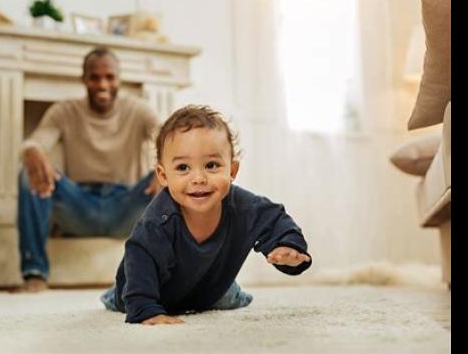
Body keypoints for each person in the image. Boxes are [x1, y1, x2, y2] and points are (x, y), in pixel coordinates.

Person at [100, 105, 312, 324]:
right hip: (153, 288)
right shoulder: (157, 221)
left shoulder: (245, 208)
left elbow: (275, 219)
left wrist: (288, 246)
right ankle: (114, 294)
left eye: (211, 165)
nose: (198, 178)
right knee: (126, 294)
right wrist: (145, 309)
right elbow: (139, 255)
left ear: (232, 171)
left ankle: (229, 292)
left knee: (225, 296)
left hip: (210, 288)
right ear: (163, 176)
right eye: (183, 168)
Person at [15, 47, 161, 292]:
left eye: (109, 77)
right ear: (84, 80)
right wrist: (31, 151)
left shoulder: (138, 109)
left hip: (126, 207)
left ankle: (172, 274)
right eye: (94, 77)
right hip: (79, 206)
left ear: (119, 79)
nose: (102, 84)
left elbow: (165, 135)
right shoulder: (64, 110)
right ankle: (35, 273)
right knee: (28, 173)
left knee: (174, 175)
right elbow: (36, 142)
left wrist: (165, 165)